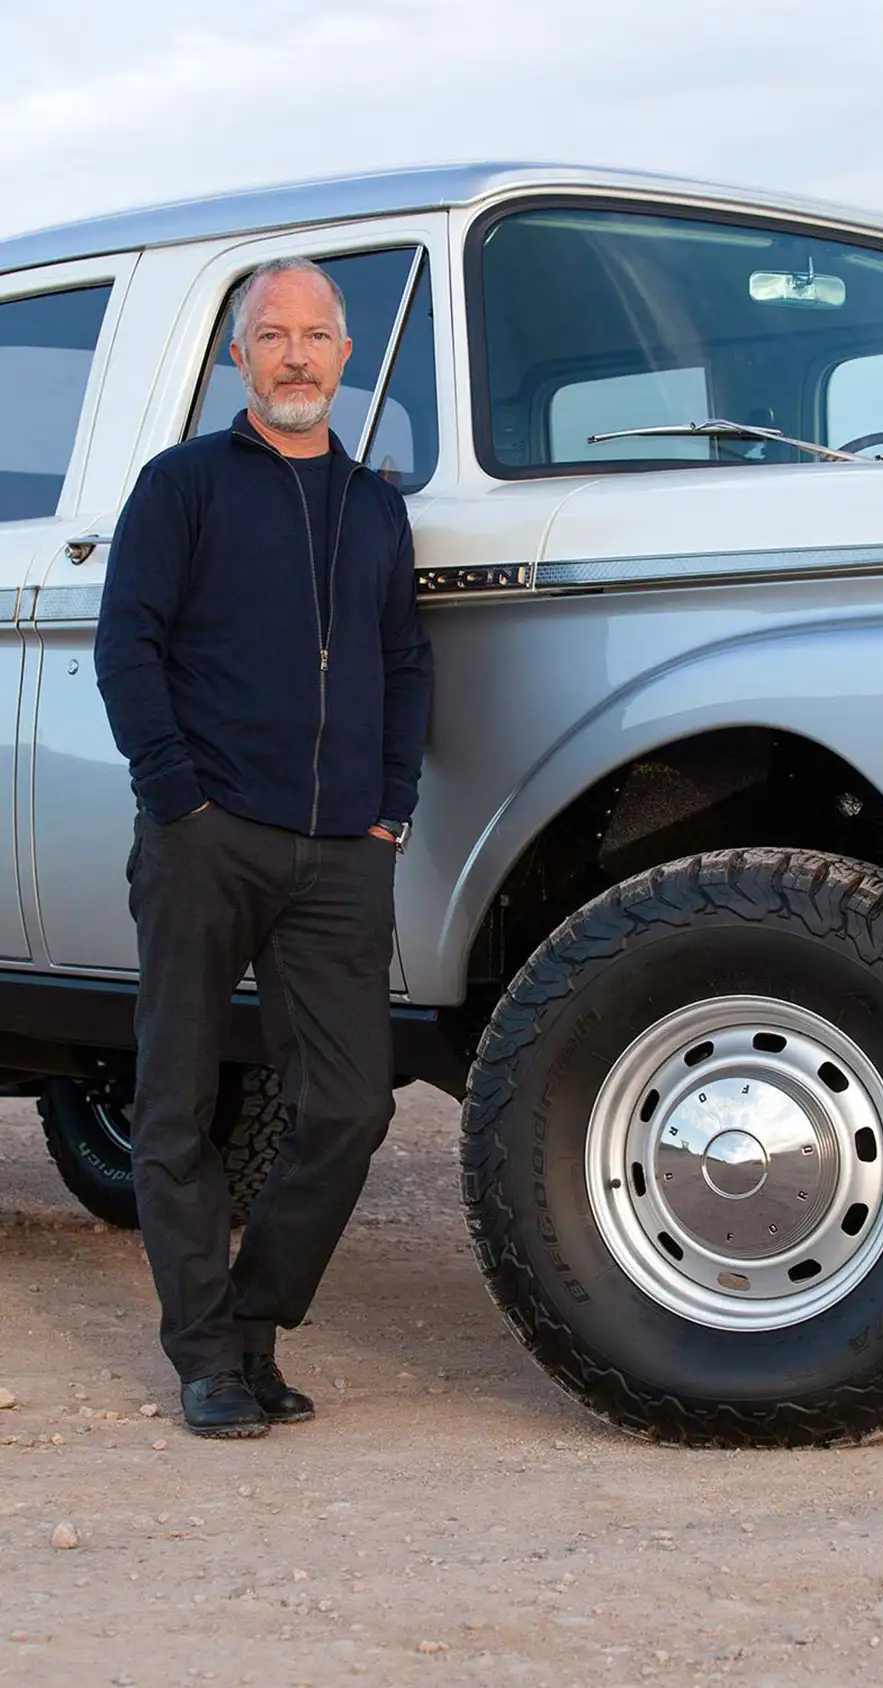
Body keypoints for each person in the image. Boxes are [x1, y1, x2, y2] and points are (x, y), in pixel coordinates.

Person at [95, 257, 433, 1438]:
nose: (296, 355)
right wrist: (175, 792)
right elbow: (126, 640)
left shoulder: (377, 507)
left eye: (317, 337)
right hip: (208, 837)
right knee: (179, 1102)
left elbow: (403, 662)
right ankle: (202, 1355)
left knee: (349, 1104)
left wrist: (391, 803)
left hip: (344, 850)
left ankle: (251, 1322)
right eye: (272, 335)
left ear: (347, 358)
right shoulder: (182, 485)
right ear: (239, 355)